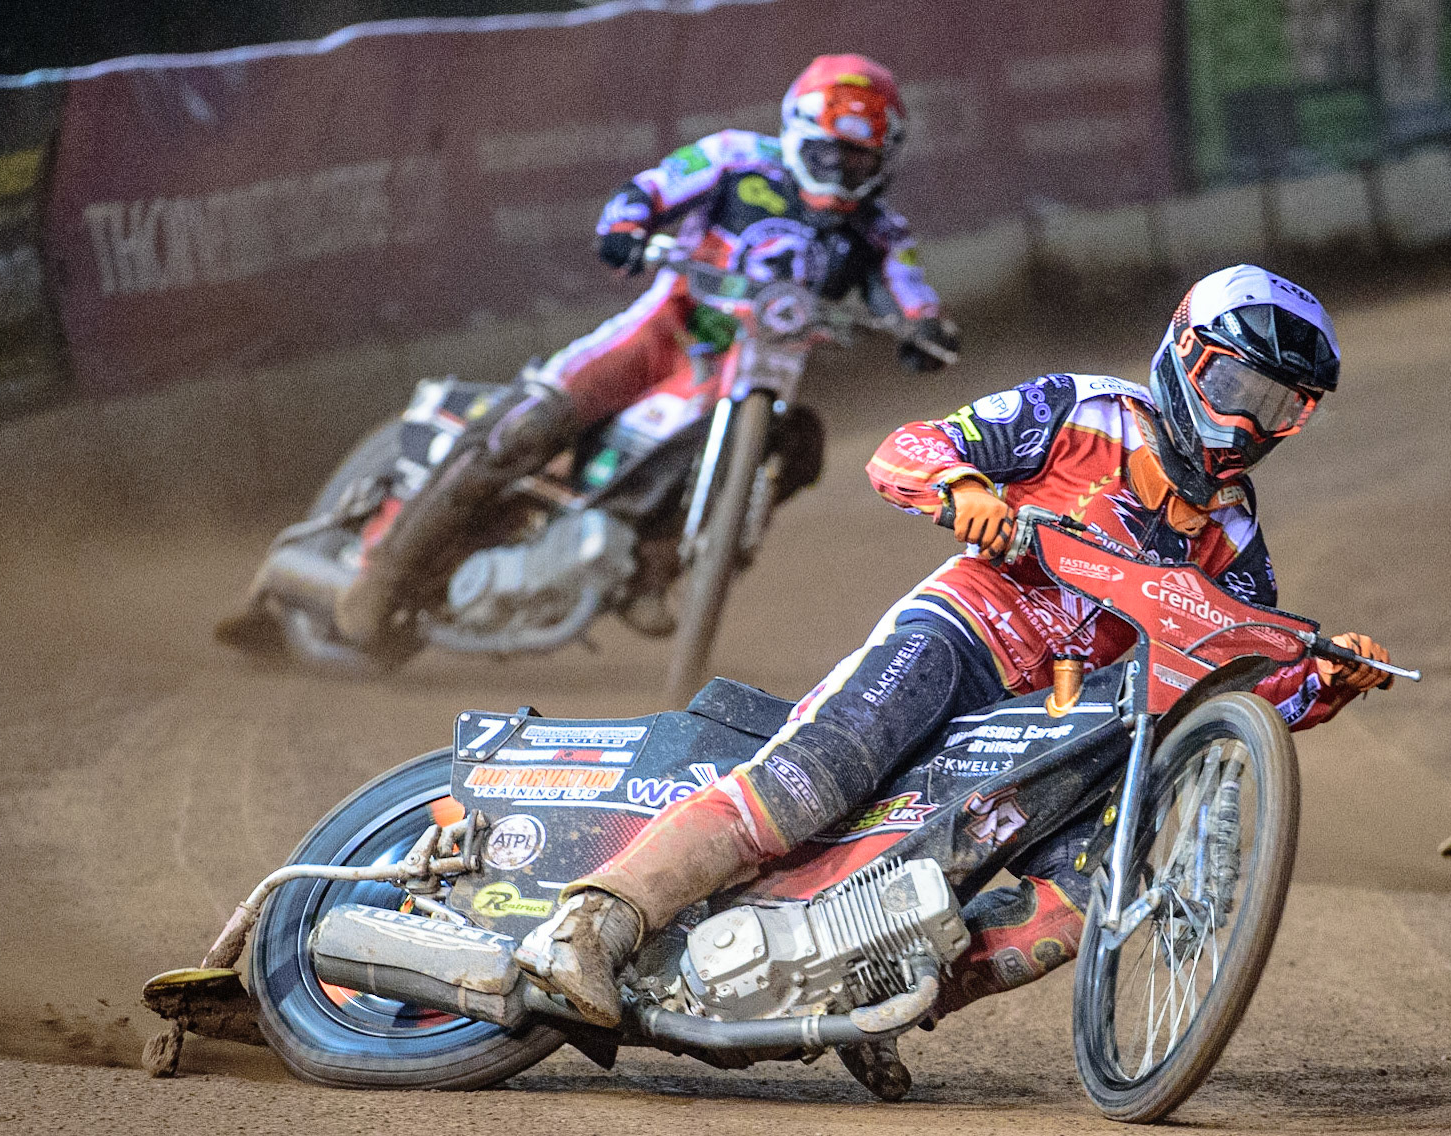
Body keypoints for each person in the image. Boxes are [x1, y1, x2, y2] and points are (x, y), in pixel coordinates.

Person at [513, 263, 1392, 1090]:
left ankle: (878, 998)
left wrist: (1319, 682)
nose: (1245, 422)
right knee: (808, 782)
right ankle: (592, 920)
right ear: (1185, 356)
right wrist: (965, 486)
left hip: (1060, 714)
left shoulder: (1235, 537)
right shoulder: (1080, 409)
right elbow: (910, 447)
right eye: (1235, 389)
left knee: (1076, 903)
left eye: (1276, 406)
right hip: (964, 629)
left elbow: (1230, 679)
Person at [330, 53, 958, 645]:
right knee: (522, 430)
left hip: (754, 374)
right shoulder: (737, 156)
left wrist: (927, 329)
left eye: (857, 159)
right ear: (797, 132)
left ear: (884, 159)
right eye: (829, 152)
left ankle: (652, 573)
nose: (842, 171)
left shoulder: (882, 230)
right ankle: (382, 577)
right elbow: (650, 189)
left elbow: (911, 291)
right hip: (662, 334)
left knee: (801, 445)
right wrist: (625, 227)